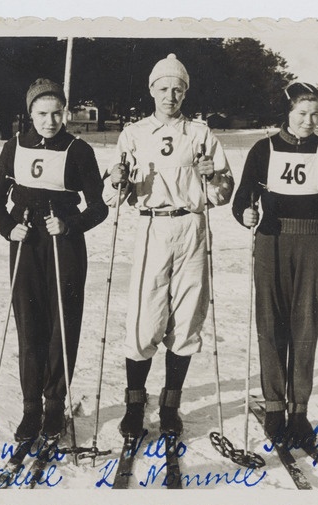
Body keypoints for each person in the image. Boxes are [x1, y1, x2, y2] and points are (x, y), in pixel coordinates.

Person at [104, 54, 235, 438]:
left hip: (191, 227)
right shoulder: (133, 134)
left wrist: (214, 177)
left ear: (185, 92)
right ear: (151, 91)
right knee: (145, 320)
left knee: (187, 318)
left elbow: (223, 190)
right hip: (152, 228)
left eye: (177, 89)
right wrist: (117, 179)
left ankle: (170, 405)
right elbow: (113, 194)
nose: (170, 95)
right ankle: (134, 404)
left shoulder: (200, 134)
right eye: (163, 88)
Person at [231, 82, 318, 446]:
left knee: (305, 324)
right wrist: (246, 213)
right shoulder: (264, 148)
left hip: (314, 241)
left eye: (316, 114)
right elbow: (242, 199)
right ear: (287, 114)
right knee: (271, 323)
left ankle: (298, 408)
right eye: (302, 114)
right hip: (272, 239)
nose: (309, 121)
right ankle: (273, 405)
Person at [0, 78, 108, 440]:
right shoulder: (14, 146)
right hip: (26, 244)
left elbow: (98, 207)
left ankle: (54, 405)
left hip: (64, 246)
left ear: (65, 113)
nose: (50, 121)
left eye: (57, 113)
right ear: (30, 114)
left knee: (62, 327)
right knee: (29, 327)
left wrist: (70, 224)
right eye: (42, 114)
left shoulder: (79, 150)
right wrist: (9, 229)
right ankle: (31, 409)